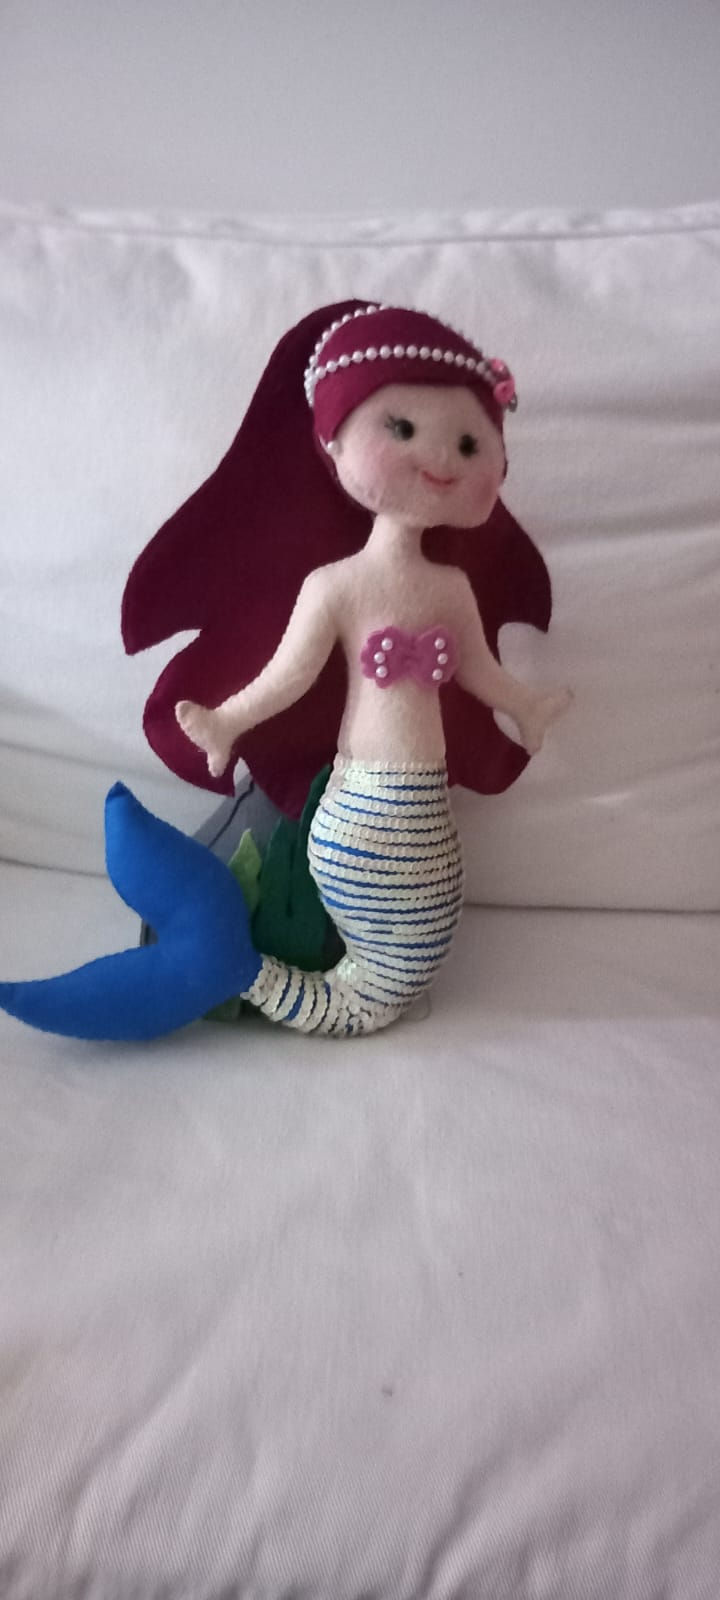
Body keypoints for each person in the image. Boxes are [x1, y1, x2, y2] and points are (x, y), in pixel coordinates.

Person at [0, 301, 571, 1042]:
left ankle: (272, 976)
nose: (441, 458)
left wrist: (523, 706)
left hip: (427, 813)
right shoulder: (336, 585)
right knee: (391, 959)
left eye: (469, 442)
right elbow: (291, 674)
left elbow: (479, 670)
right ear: (333, 442)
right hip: (360, 812)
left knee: (418, 939)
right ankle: (279, 976)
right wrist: (228, 720)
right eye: (400, 429)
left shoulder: (450, 588)